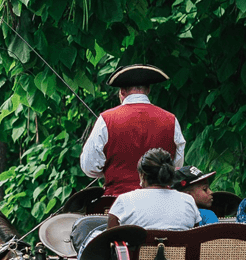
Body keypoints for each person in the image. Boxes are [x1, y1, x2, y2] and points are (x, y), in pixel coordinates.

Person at [80, 64, 188, 196]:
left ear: (122, 92)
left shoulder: (106, 119)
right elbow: (177, 165)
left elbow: (89, 166)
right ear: (148, 90)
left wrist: (112, 171)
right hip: (161, 202)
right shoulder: (171, 120)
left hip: (117, 203)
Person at [106, 149, 201, 231]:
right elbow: (194, 236)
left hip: (138, 252)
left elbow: (109, 239)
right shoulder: (188, 201)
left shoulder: (124, 200)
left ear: (142, 175)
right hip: (180, 252)